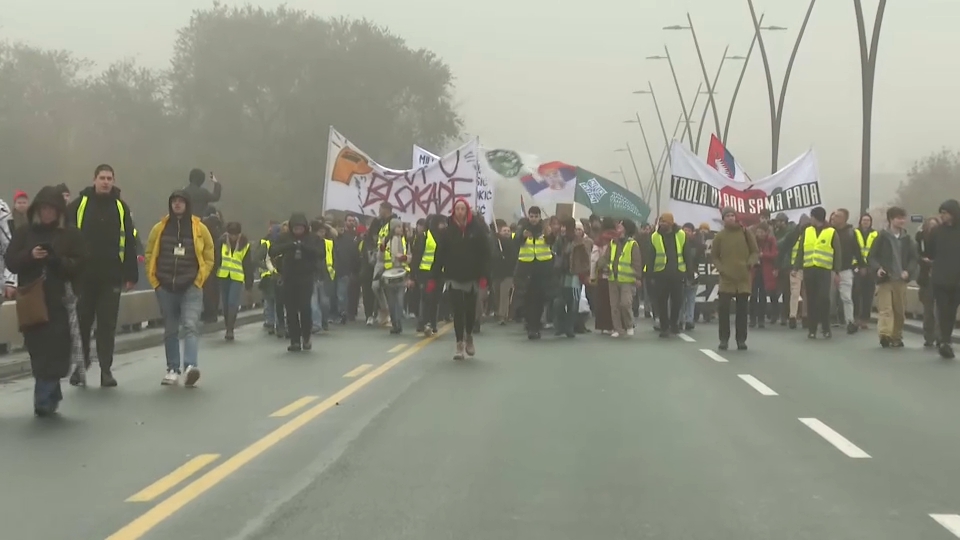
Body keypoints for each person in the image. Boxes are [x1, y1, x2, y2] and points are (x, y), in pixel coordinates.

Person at [5, 186, 86, 416]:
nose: (48, 213)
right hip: (32, 299)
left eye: (52, 209)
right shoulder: (25, 233)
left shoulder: (71, 234)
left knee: (57, 350)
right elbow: (11, 261)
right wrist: (30, 256)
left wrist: (55, 261)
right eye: (44, 209)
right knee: (38, 350)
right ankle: (49, 393)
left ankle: (44, 398)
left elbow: (80, 264)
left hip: (60, 301)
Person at [67, 164, 139, 387]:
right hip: (83, 277)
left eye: (109, 178)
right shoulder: (79, 205)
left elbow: (129, 241)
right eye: (102, 178)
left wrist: (130, 274)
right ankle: (81, 366)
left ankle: (106, 370)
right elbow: (66, 239)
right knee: (82, 324)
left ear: (114, 180)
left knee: (107, 325)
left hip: (111, 276)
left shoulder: (121, 208)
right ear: (94, 179)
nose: (106, 182)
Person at [145, 191, 215, 386]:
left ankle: (191, 366)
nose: (177, 205)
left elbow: (209, 253)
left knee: (191, 325)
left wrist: (200, 278)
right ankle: (172, 369)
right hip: (165, 286)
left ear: (187, 205)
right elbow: (150, 252)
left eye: (181, 202)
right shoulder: (159, 228)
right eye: (174, 202)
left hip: (191, 286)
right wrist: (155, 281)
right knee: (170, 329)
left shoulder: (199, 228)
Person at [428, 199, 490, 359]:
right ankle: (459, 344)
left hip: (472, 277)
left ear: (467, 211)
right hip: (453, 276)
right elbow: (439, 255)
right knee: (458, 311)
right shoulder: (447, 232)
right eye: (457, 209)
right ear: (454, 211)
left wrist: (484, 276)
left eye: (463, 208)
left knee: (470, 312)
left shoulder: (477, 231)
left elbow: (485, 255)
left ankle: (469, 335)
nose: (460, 211)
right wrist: (433, 277)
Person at [270, 213, 323, 352]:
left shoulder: (312, 238)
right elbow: (273, 251)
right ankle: (294, 340)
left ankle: (306, 336)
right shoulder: (284, 238)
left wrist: (303, 247)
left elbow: (320, 253)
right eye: (296, 228)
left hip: (306, 277)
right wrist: (291, 246)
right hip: (289, 277)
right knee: (291, 310)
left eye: (301, 228)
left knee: (305, 308)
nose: (298, 231)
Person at [868, 206, 918, 348]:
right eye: (898, 218)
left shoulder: (908, 239)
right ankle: (885, 335)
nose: (902, 221)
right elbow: (872, 257)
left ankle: (896, 336)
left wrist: (908, 271)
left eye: (903, 218)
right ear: (891, 219)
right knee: (885, 309)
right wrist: (878, 269)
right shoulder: (881, 237)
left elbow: (914, 258)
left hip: (901, 280)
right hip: (886, 279)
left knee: (899, 310)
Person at [711, 207, 759, 350]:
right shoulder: (719, 236)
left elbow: (755, 251)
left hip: (743, 278)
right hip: (726, 279)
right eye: (728, 216)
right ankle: (724, 339)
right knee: (724, 310)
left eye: (733, 215)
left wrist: (750, 263)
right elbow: (714, 256)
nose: (731, 218)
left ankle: (741, 340)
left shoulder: (745, 233)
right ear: (724, 219)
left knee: (742, 312)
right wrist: (721, 269)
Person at [794, 206, 841, 339]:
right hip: (809, 269)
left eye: (812, 217)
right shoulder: (807, 231)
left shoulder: (831, 232)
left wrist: (837, 271)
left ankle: (826, 328)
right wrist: (796, 267)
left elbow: (837, 252)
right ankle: (812, 329)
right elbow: (801, 250)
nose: (811, 219)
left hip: (824, 270)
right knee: (811, 299)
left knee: (824, 299)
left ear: (816, 218)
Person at [647, 213, 690, 337]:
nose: (662, 224)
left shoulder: (681, 235)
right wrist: (650, 274)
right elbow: (651, 256)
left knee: (678, 301)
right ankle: (664, 327)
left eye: (664, 222)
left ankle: (674, 323)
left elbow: (686, 253)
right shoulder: (654, 236)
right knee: (661, 302)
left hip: (677, 273)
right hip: (660, 273)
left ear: (671, 223)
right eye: (661, 222)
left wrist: (689, 272)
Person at [514, 206, 553, 340]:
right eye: (532, 216)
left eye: (536, 216)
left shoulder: (545, 229)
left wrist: (549, 235)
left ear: (539, 217)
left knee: (540, 299)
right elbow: (516, 242)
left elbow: (552, 242)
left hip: (542, 269)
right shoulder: (522, 228)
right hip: (526, 269)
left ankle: (536, 326)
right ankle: (531, 326)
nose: (534, 219)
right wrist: (522, 237)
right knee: (528, 299)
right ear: (528, 217)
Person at [928, 199, 960, 359]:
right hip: (940, 278)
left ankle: (946, 339)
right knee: (942, 309)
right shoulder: (936, 231)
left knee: (952, 310)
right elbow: (930, 251)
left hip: (957, 279)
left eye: (945, 213)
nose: (943, 216)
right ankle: (944, 341)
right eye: (941, 213)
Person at [214, 222, 254, 341]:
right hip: (223, 276)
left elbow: (248, 265)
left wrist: (248, 285)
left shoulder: (244, 245)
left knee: (232, 302)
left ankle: (230, 329)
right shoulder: (221, 242)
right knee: (225, 304)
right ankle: (228, 325)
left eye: (235, 234)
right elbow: (216, 259)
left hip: (237, 277)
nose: (233, 237)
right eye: (231, 234)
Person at [552, 217, 591, 337]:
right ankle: (560, 326)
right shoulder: (558, 240)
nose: (562, 228)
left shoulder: (578, 242)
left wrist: (584, 273)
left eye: (565, 226)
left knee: (573, 303)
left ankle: (569, 327)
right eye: (561, 226)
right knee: (558, 302)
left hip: (573, 275)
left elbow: (585, 260)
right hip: (560, 274)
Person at [916, 217, 940, 348]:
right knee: (928, 309)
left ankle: (940, 336)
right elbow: (916, 254)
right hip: (926, 278)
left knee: (940, 309)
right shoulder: (920, 239)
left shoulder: (944, 239)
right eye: (930, 226)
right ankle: (929, 336)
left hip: (941, 277)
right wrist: (923, 261)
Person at [750, 223, 778, 329]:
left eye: (762, 232)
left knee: (762, 296)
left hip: (765, 272)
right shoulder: (752, 241)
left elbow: (774, 254)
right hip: (754, 271)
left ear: (766, 232)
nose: (759, 234)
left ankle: (761, 320)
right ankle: (752, 319)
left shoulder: (771, 241)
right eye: (758, 231)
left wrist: (763, 255)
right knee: (752, 296)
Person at [853, 213, 878, 329]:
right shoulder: (854, 233)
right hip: (857, 268)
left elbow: (877, 252)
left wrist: (872, 267)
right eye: (864, 220)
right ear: (860, 221)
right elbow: (852, 251)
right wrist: (857, 266)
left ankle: (865, 319)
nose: (866, 222)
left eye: (868, 220)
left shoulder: (876, 234)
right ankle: (856, 317)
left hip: (871, 269)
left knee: (868, 295)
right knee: (856, 294)